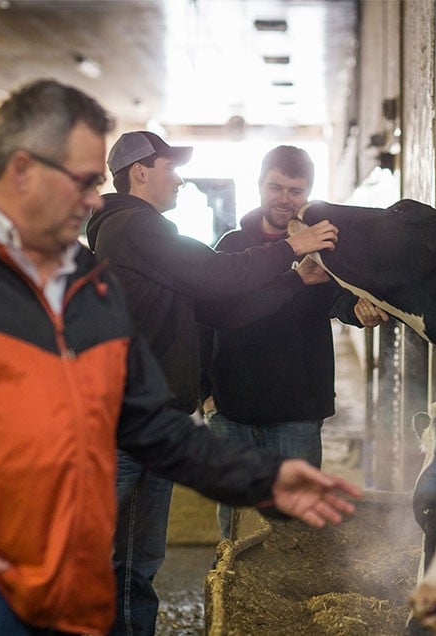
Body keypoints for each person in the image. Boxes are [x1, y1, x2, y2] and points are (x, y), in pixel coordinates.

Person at [0, 78, 361, 636]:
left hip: (59, 587)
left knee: (127, 567)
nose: (94, 200)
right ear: (23, 169)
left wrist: (261, 477)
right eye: (83, 181)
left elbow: (145, 419)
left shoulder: (88, 283)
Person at [84, 132, 339, 636]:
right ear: (140, 172)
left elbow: (221, 308)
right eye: (169, 168)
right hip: (122, 421)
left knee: (138, 559)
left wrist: (293, 280)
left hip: (154, 423)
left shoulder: (144, 235)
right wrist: (293, 246)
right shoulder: (131, 227)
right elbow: (216, 275)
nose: (178, 178)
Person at [202, 145, 388, 539]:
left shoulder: (323, 249)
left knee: (297, 528)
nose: (285, 199)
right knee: (235, 526)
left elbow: (339, 299)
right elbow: (207, 317)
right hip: (232, 410)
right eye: (276, 187)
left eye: (295, 190)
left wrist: (360, 311)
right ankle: (235, 601)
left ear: (308, 193)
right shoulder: (232, 247)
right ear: (259, 185)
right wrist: (205, 395)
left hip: (297, 411)